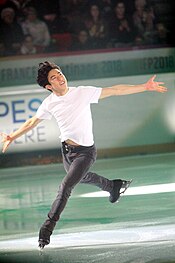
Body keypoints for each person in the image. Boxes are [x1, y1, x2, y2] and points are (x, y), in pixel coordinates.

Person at [0, 61, 167, 250]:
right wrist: (12, 136)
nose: (60, 77)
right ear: (49, 86)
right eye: (54, 77)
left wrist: (144, 87)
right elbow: (32, 121)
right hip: (67, 153)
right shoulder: (49, 103)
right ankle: (113, 186)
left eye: (60, 73)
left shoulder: (82, 92)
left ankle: (46, 229)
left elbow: (115, 90)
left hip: (86, 153)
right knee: (81, 178)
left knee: (65, 187)